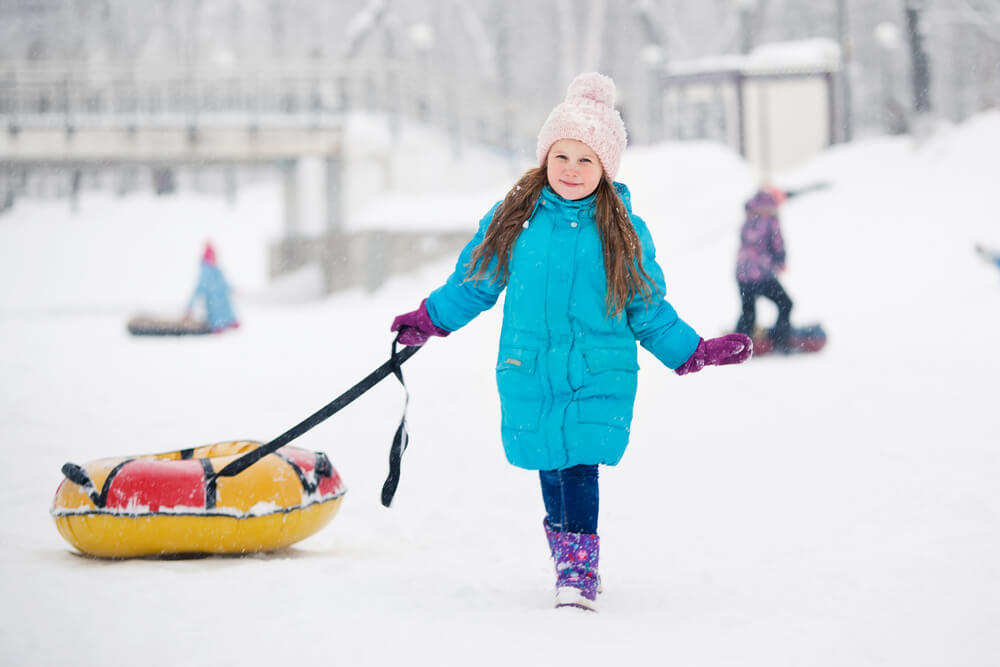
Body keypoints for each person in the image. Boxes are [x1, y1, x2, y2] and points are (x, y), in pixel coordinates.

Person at [390, 73, 752, 612]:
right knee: (548, 463)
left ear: (605, 167)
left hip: (598, 368)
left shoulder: (622, 229)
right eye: (562, 156)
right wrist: (430, 318)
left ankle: (579, 572)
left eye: (586, 160)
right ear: (545, 157)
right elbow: (476, 282)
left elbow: (646, 307)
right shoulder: (516, 218)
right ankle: (567, 556)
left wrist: (690, 351)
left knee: (580, 463)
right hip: (529, 366)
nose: (572, 170)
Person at [734, 186, 794, 350]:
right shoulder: (770, 217)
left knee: (748, 310)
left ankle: (739, 342)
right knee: (786, 303)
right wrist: (781, 262)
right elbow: (777, 244)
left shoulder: (750, 215)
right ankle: (780, 340)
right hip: (761, 274)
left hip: (742, 274)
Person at [184, 241, 239, 332]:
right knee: (217, 315)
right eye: (213, 256)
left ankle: (230, 321)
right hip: (214, 309)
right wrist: (189, 307)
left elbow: (225, 284)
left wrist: (231, 288)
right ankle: (219, 325)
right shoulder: (205, 273)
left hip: (225, 305)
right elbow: (197, 290)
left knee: (227, 311)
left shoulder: (217, 270)